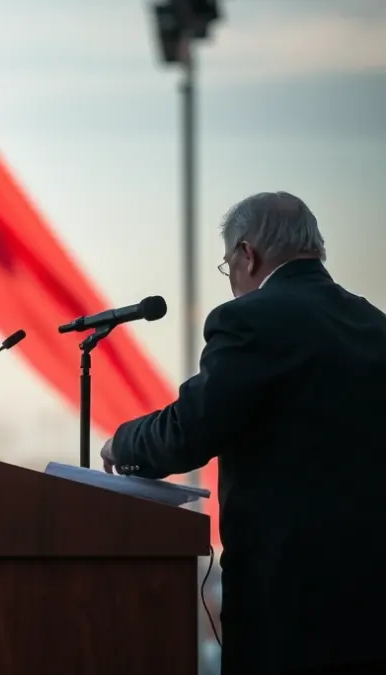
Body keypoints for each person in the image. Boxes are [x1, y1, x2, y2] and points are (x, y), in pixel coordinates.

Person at [99, 192, 386, 675]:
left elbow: (191, 429)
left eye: (227, 264)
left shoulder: (250, 318)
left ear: (246, 255)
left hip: (287, 608)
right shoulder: (374, 325)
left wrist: (121, 443)